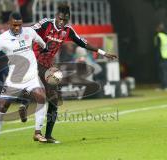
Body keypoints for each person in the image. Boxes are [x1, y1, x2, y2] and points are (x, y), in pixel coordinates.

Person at [20, 3, 117, 143]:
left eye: (65, 20)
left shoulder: (68, 30)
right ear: (56, 16)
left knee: (54, 100)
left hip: (48, 65)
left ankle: (46, 134)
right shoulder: (45, 24)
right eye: (60, 19)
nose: (62, 22)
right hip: (34, 60)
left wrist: (103, 52)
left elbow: (83, 43)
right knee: (39, 89)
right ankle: (25, 105)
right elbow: (29, 30)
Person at [0, 12, 48, 148]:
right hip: (14, 80)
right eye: (14, 25)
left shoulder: (29, 32)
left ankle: (37, 132)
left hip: (31, 77)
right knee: (2, 107)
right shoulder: (2, 38)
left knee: (41, 97)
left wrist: (45, 47)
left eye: (19, 25)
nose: (17, 28)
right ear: (9, 24)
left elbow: (40, 41)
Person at [154, 23, 167, 90]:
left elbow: (157, 48)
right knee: (164, 71)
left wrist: (156, 57)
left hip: (162, 56)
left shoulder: (158, 36)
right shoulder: (165, 36)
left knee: (163, 72)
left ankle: (164, 86)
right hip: (166, 56)